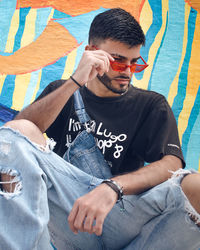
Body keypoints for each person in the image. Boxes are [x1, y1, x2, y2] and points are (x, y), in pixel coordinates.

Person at [0, 8, 200, 250]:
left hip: (124, 213)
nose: (127, 72)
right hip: (69, 211)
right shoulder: (63, 91)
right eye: (118, 61)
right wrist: (75, 81)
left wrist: (112, 187)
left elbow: (172, 164)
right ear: (92, 53)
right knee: (16, 133)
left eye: (134, 63)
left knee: (196, 185)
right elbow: (16, 137)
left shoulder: (151, 104)